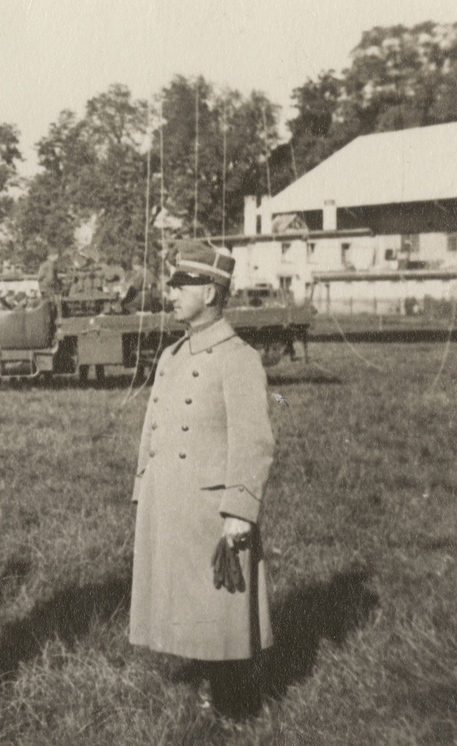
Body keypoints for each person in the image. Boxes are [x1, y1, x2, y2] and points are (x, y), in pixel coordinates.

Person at [129, 239, 276, 719]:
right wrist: (144, 489)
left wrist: (240, 510)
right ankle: (212, 687)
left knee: (220, 607)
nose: (170, 293)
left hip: (211, 509)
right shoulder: (172, 354)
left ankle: (236, 706)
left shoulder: (238, 358)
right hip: (171, 501)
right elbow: (152, 427)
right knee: (189, 604)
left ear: (210, 293)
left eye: (181, 284)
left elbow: (254, 441)